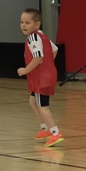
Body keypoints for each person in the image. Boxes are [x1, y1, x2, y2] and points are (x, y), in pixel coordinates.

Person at [17, 9, 63, 147]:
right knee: (33, 101)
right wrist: (48, 65)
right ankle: (45, 128)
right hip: (47, 75)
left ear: (37, 24)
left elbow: (38, 57)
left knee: (42, 106)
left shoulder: (33, 38)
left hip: (40, 78)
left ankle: (55, 133)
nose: (23, 25)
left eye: (27, 22)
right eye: (22, 22)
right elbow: (55, 50)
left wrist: (25, 70)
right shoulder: (42, 36)